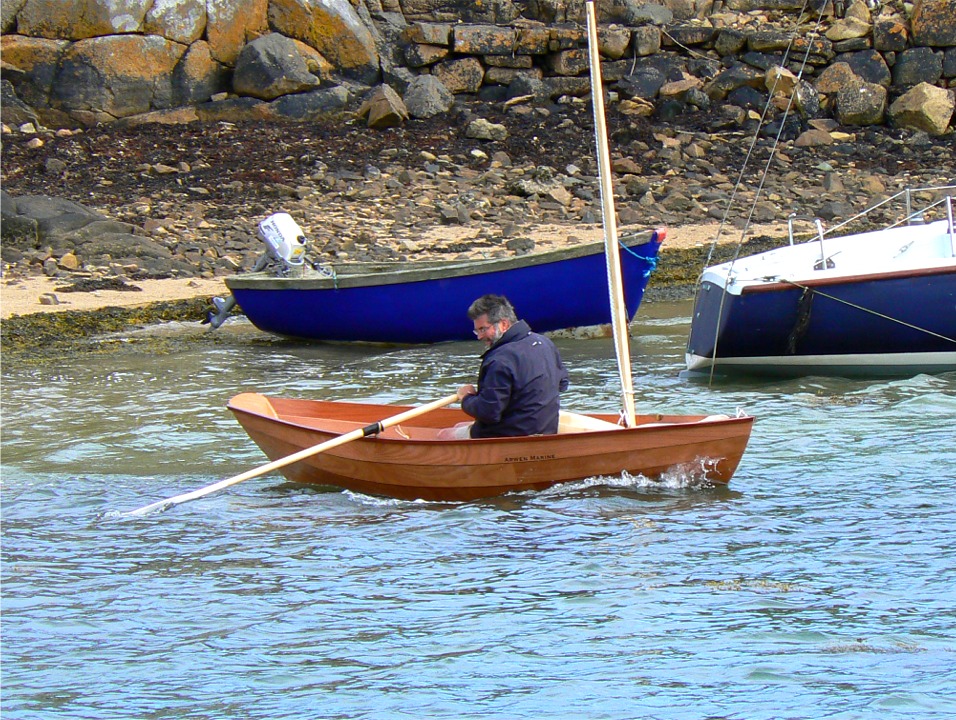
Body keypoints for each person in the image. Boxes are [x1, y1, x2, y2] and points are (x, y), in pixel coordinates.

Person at [438, 294, 570, 440]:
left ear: (504, 324)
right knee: (459, 426)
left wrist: (466, 398)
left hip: (511, 435)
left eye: (483, 329)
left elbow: (489, 413)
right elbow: (562, 384)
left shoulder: (500, 359)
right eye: (477, 331)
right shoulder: (545, 343)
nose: (479, 336)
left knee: (443, 435)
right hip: (546, 429)